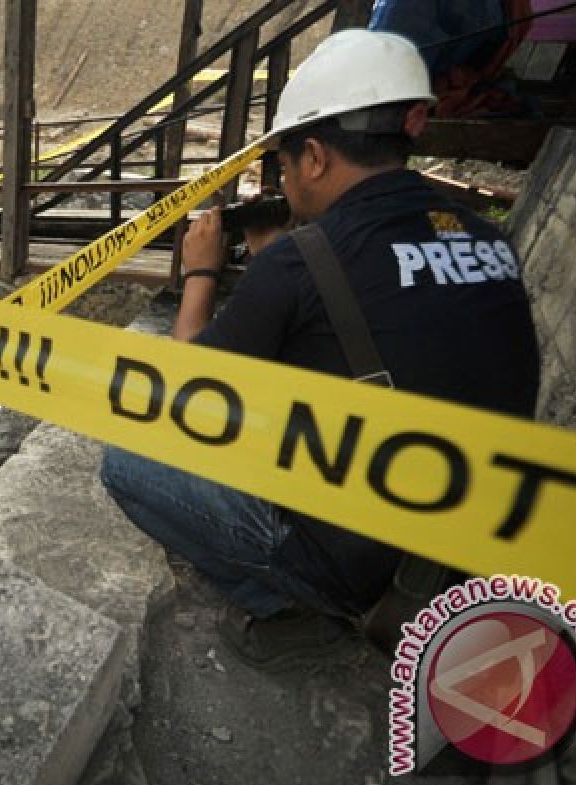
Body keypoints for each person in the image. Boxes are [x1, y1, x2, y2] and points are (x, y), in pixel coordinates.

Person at [100, 29, 539, 668]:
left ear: (313, 157)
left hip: (370, 566)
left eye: (281, 164)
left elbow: (183, 395)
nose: (283, 178)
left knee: (128, 461)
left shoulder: (299, 268)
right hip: (473, 540)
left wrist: (201, 272)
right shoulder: (480, 234)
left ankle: (297, 609)